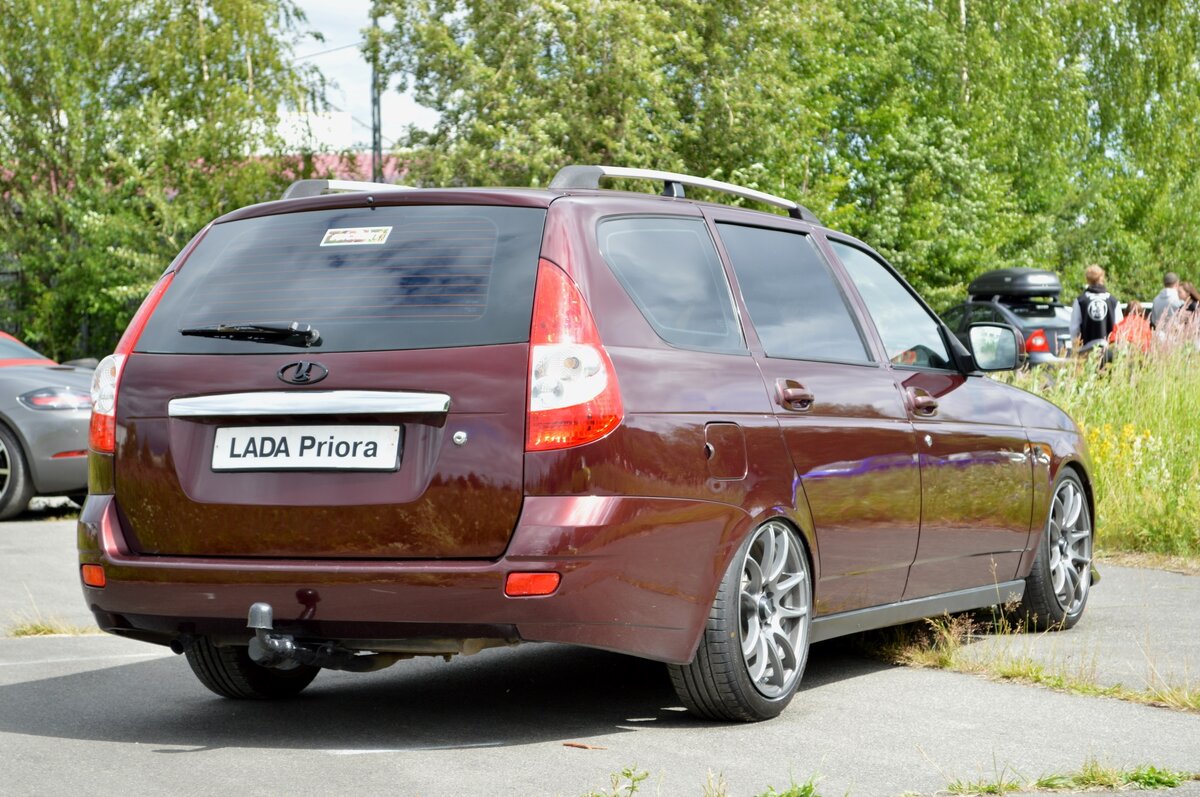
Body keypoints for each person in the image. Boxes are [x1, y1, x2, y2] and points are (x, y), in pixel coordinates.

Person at [1069, 264, 1122, 354]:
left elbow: (1075, 328)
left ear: (1087, 279)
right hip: (1108, 350)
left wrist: (1075, 348)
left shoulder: (1081, 301)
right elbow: (1119, 327)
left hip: (1086, 350)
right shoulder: (1113, 301)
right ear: (1102, 278)